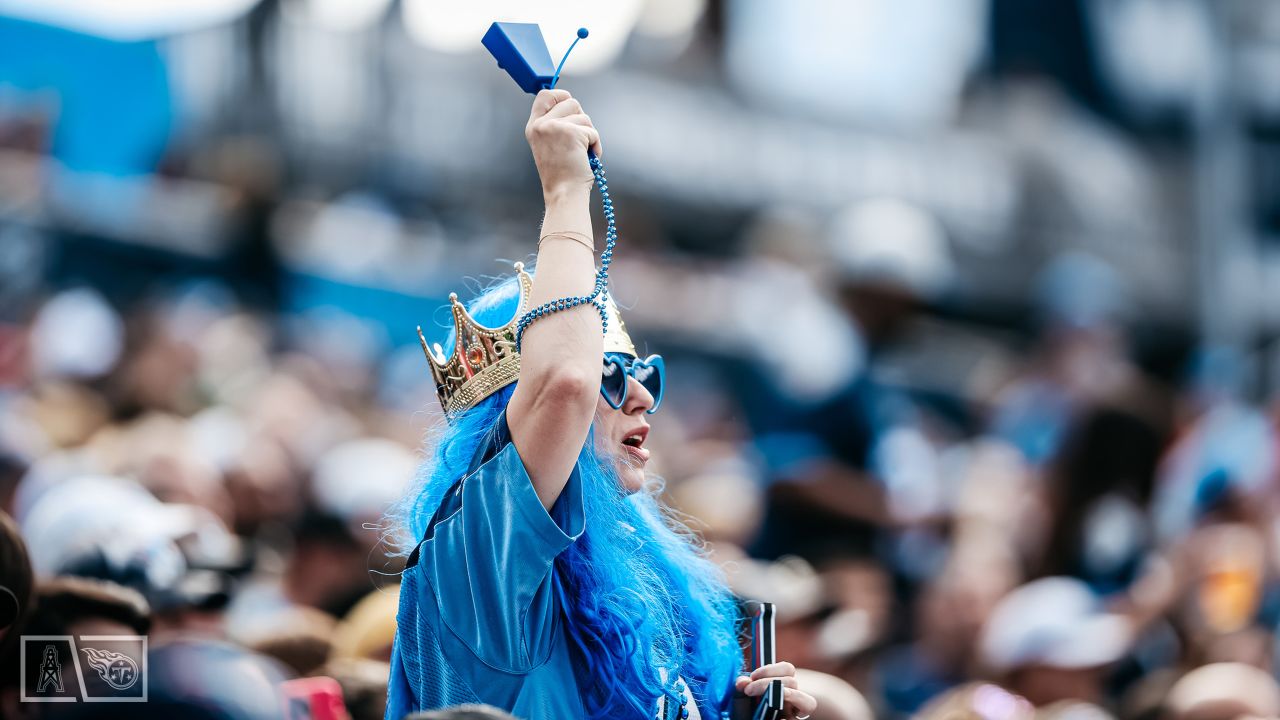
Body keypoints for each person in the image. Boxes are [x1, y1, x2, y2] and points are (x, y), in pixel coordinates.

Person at [385, 89, 816, 720]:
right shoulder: (475, 561)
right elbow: (562, 381)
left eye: (644, 373)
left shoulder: (637, 590)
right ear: (517, 407)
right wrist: (565, 192)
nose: (643, 396)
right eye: (611, 375)